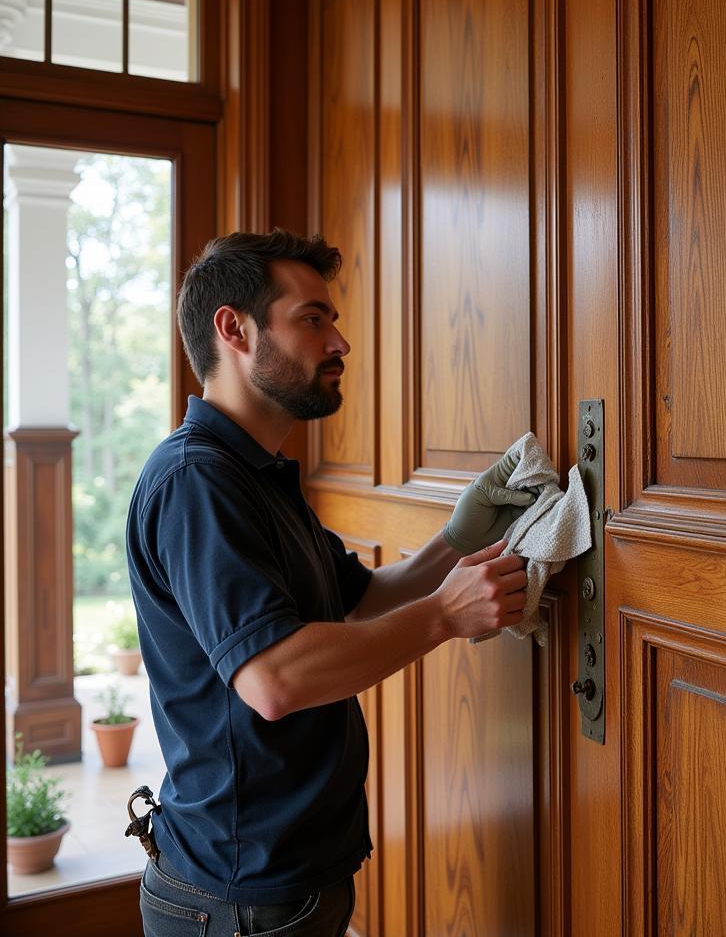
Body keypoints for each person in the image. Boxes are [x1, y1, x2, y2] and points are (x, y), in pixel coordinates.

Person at [126, 229, 535, 936]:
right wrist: (444, 617)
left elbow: (364, 597)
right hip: (237, 900)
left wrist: (460, 537)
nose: (340, 342)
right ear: (235, 330)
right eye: (313, 319)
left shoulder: (256, 474)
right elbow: (274, 679)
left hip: (278, 885)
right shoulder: (198, 481)